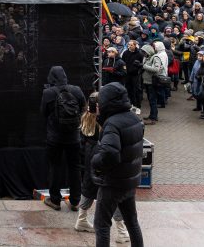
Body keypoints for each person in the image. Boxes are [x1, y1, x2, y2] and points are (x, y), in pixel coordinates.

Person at [91, 82, 145, 247]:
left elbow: (110, 153)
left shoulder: (113, 124)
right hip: (129, 181)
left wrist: (95, 161)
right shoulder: (134, 118)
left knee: (101, 224)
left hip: (113, 183)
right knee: (132, 222)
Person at [73, 92, 129, 241]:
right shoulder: (105, 121)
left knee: (88, 186)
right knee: (113, 190)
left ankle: (81, 219)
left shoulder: (85, 117)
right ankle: (121, 230)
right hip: (101, 153)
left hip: (89, 154)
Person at [40, 66, 86, 211]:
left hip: (55, 137)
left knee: (55, 167)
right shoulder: (77, 90)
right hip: (73, 137)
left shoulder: (48, 93)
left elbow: (43, 113)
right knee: (75, 168)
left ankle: (55, 200)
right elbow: (83, 107)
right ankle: (75, 201)